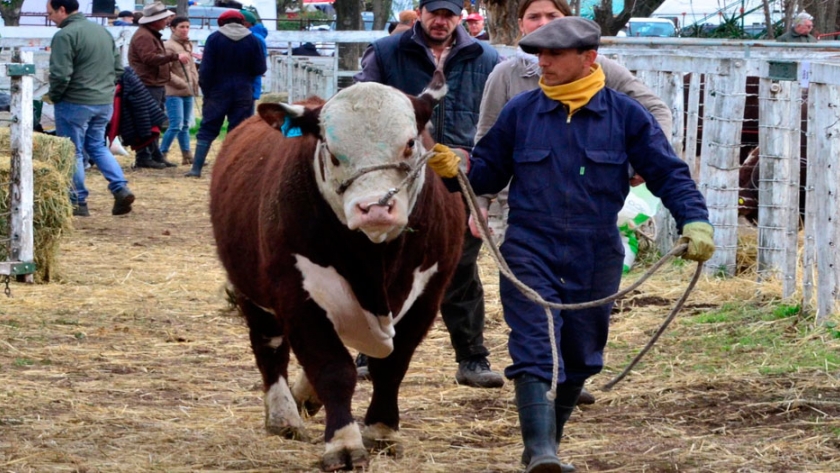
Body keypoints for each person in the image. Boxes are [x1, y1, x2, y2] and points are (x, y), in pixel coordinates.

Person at [429, 17, 715, 472]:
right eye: (538, 54)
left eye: (554, 55)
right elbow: (486, 174)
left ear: (589, 58)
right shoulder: (520, 112)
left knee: (581, 355)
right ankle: (542, 452)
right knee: (535, 343)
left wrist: (695, 220)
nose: (541, 62)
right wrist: (454, 169)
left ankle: (546, 444)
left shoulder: (626, 116)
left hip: (597, 249)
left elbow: (668, 173)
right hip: (528, 245)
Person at [474, 0, 674, 405]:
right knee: (532, 312)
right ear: (520, 27)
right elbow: (487, 139)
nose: (544, 27)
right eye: (535, 19)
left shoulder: (609, 76)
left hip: (591, 216)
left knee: (580, 318)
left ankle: (567, 377)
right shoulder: (507, 78)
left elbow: (654, 113)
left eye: (553, 18)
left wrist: (642, 160)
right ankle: (538, 397)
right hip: (525, 214)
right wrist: (476, 196)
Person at [353, 0, 505, 388]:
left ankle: (472, 358)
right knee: (383, 262)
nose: (442, 21)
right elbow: (361, 104)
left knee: (459, 267)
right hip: (397, 175)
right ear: (419, 12)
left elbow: (502, 117)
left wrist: (476, 157)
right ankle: (369, 350)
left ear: (461, 16)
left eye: (449, 13)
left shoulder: (485, 57)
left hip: (460, 175)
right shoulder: (386, 51)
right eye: (434, 12)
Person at [47, 0, 135, 217]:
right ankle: (119, 186)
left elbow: (60, 74)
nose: (50, 18)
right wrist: (104, 89)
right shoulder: (102, 32)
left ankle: (78, 200)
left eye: (51, 13)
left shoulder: (64, 35)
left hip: (74, 101)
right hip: (103, 101)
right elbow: (117, 68)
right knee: (98, 146)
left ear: (62, 10)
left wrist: (55, 96)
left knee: (72, 151)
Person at [184, 10, 266, 178]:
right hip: (243, 90)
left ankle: (196, 169)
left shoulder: (214, 39)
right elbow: (260, 68)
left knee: (208, 127)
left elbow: (205, 70)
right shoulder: (253, 40)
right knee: (238, 130)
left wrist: (207, 91)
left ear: (222, 22)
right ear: (242, 22)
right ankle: (231, 170)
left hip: (217, 90)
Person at [128, 2, 191, 169]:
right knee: (147, 121)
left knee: (152, 121)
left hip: (154, 83)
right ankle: (144, 156)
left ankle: (154, 154)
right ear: (154, 21)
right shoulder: (145, 36)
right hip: (147, 84)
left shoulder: (149, 34)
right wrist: (173, 56)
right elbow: (149, 58)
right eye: (164, 18)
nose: (167, 21)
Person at [160, 16, 199, 166]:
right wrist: (182, 83)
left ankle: (187, 155)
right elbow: (166, 72)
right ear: (173, 28)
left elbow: (191, 68)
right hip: (174, 91)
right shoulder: (169, 46)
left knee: (185, 125)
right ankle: (162, 152)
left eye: (187, 27)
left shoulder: (187, 45)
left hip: (188, 90)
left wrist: (194, 83)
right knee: (175, 124)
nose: (185, 30)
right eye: (182, 27)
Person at [240, 9, 268, 105]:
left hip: (249, 83)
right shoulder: (257, 37)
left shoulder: (253, 38)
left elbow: (259, 62)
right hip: (250, 83)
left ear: (246, 24)